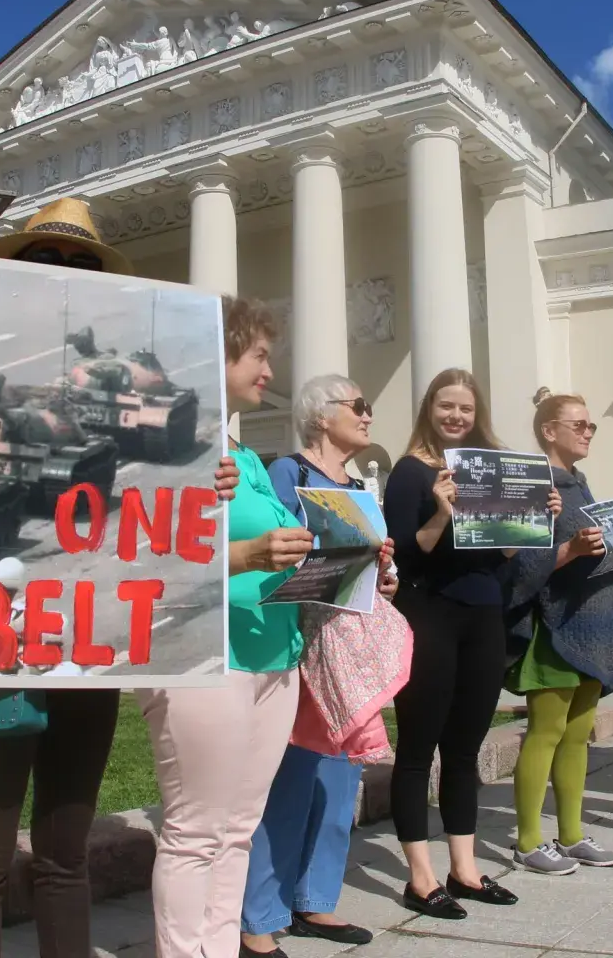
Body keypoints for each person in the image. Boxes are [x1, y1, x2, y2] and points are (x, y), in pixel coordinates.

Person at [0, 198, 240, 958]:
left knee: (63, 850)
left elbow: (152, 477)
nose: (67, 274)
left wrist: (206, 491)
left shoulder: (103, 364)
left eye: (82, 263)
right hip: (2, 634)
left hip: (87, 632)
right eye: (47, 260)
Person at [138, 296, 317, 958]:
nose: (269, 368)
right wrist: (248, 556)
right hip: (205, 658)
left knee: (237, 829)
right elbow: (149, 558)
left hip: (272, 655)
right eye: (259, 354)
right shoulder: (168, 443)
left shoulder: (242, 453)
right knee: (194, 830)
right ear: (218, 354)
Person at [241, 375, 399, 955]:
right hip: (305, 645)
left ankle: (316, 901)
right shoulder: (288, 473)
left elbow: (375, 577)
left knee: (340, 781)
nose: (367, 415)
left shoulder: (357, 486)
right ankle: (262, 912)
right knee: (291, 782)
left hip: (349, 649)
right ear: (319, 415)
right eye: (358, 406)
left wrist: (383, 570)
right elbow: (277, 556)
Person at [384, 369, 545, 919]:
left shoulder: (486, 471)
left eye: (466, 409)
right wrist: (442, 513)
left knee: (464, 747)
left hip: (482, 616)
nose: (456, 416)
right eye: (447, 406)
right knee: (417, 747)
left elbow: (497, 559)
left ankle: (465, 868)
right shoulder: (409, 473)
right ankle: (420, 876)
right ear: (429, 407)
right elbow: (405, 557)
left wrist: (528, 524)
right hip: (428, 613)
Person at [503, 391, 613, 875]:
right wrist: (572, 549)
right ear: (548, 431)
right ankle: (529, 840)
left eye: (590, 425)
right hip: (553, 623)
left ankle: (572, 834)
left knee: (578, 734)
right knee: (547, 730)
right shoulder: (531, 484)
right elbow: (520, 566)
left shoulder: (580, 483)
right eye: (578, 424)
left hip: (593, 619)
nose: (588, 431)